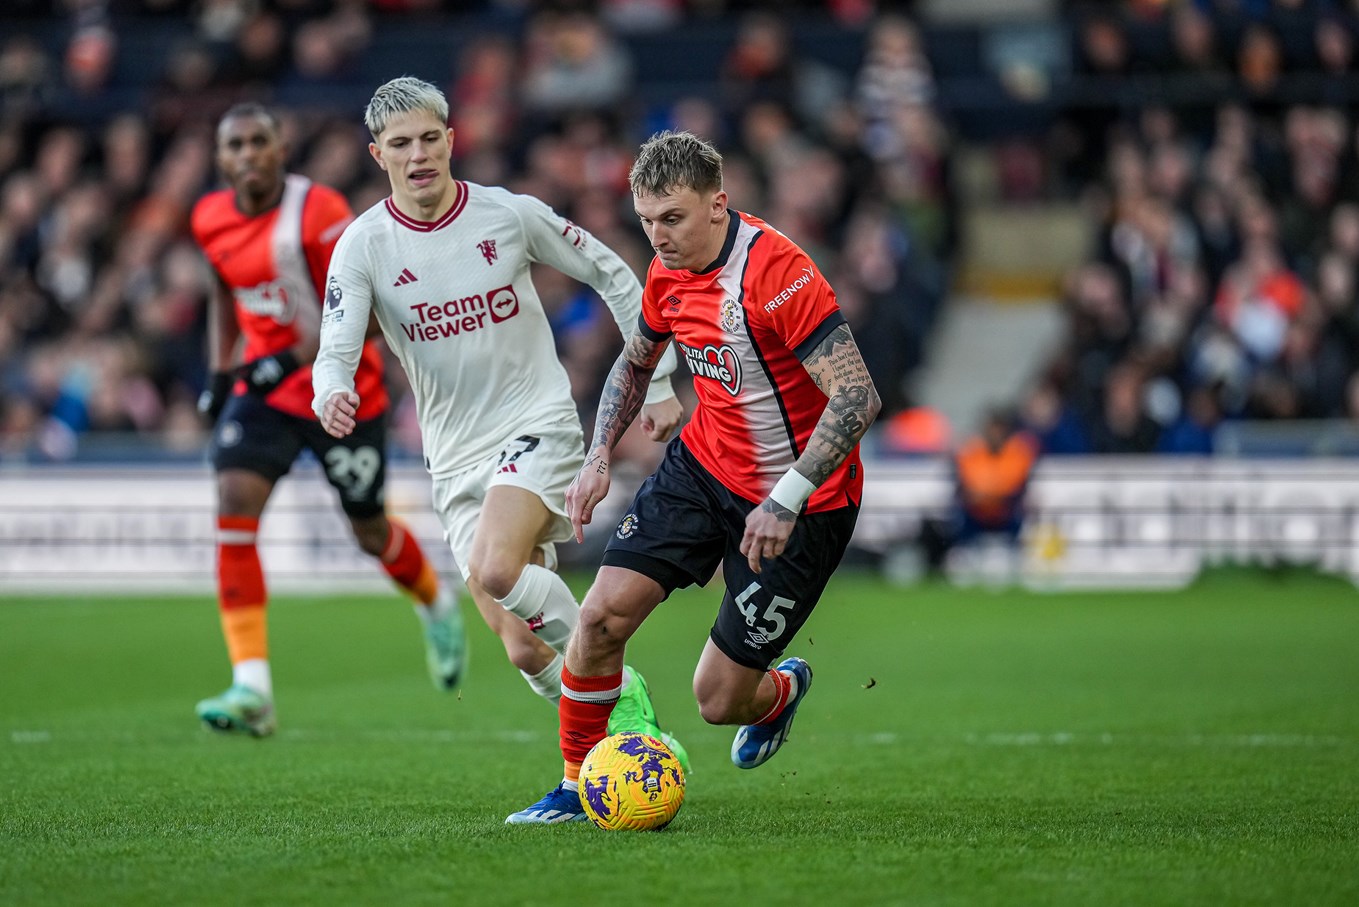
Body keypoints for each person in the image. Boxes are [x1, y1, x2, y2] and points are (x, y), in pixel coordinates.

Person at [311, 77, 689, 766]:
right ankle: (612, 749)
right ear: (377, 154)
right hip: (454, 457)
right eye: (402, 144)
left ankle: (625, 700)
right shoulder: (362, 246)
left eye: (430, 137)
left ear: (451, 139)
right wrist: (328, 391)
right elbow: (333, 349)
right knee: (522, 646)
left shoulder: (507, 215)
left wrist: (659, 377)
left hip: (534, 421)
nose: (419, 154)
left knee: (493, 567)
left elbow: (611, 270)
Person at [508, 130, 881, 824]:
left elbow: (857, 397)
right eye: (647, 221)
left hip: (803, 502)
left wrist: (785, 497)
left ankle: (778, 692)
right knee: (597, 619)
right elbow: (636, 360)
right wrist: (597, 458)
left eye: (672, 218)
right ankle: (574, 782)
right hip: (704, 467)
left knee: (716, 699)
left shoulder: (777, 273)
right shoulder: (667, 270)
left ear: (718, 203)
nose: (658, 236)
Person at [191, 102, 465, 738]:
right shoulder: (208, 217)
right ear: (221, 158)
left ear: (281, 147)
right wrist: (217, 373)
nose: (249, 154)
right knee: (233, 504)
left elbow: (364, 310)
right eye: (236, 145)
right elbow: (220, 291)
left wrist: (287, 357)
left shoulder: (317, 214)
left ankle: (434, 600)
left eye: (261, 141)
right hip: (263, 393)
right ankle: (252, 687)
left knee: (369, 533)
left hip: (343, 392)